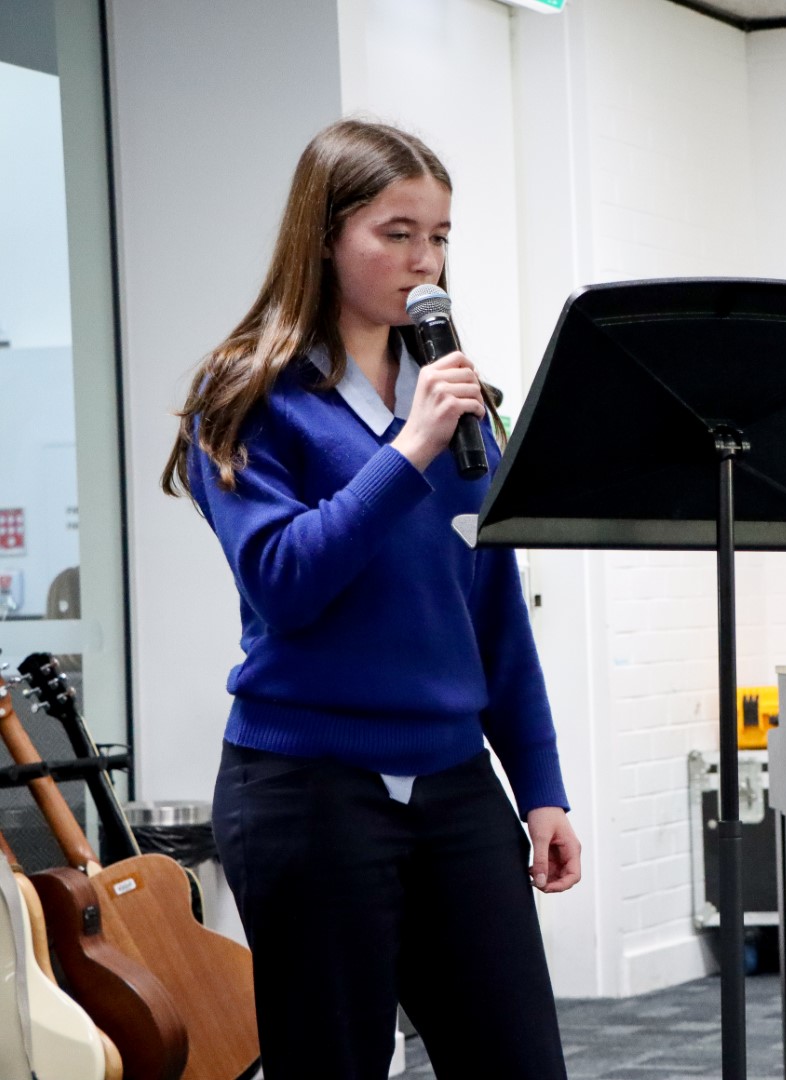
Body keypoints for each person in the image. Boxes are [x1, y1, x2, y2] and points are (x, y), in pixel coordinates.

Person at [161, 119, 578, 1079]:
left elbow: (492, 611)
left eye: (439, 237)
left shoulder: (458, 401)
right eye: (397, 234)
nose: (425, 262)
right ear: (323, 237)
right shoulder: (249, 395)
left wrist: (541, 786)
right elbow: (284, 580)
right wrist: (408, 450)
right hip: (308, 793)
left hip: (456, 784)